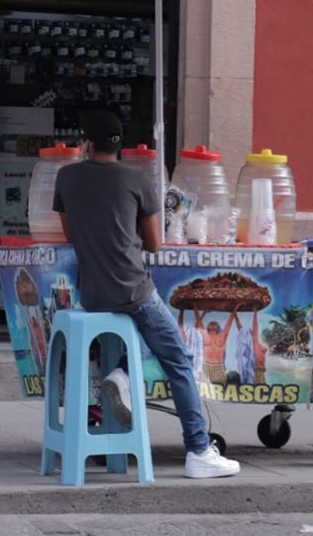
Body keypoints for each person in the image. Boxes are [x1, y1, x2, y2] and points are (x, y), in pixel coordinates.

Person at [53, 111, 240, 479]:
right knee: (179, 359)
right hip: (133, 288)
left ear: (86, 144)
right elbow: (154, 244)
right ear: (119, 146)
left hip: (92, 293)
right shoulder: (136, 179)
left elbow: (71, 233)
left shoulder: (67, 177)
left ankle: (123, 372)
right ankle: (199, 450)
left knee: (140, 330)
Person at [204, 308, 238, 386]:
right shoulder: (204, 336)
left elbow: (228, 324)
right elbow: (198, 324)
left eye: (215, 323)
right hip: (207, 367)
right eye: (211, 322)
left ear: (218, 327)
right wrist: (201, 312)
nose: (213, 323)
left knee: (222, 386)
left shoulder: (222, 337)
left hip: (219, 368)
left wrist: (234, 310)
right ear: (208, 327)